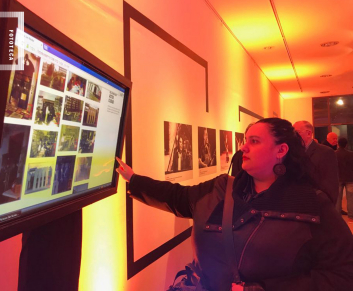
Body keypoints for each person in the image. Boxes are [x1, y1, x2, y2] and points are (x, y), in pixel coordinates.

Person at [117, 118, 353, 291]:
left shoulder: (313, 205)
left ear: (281, 150)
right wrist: (134, 179)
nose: (243, 147)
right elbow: (176, 196)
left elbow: (343, 274)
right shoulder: (220, 189)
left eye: (254, 141)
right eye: (245, 140)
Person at [293, 121, 339, 205]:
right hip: (297, 203)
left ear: (309, 133)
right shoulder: (293, 152)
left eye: (297, 132)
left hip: (316, 203)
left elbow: (330, 182)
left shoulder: (325, 152)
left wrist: (328, 206)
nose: (294, 136)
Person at [335, 137, 353, 220]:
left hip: (338, 178)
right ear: (346, 145)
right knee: (350, 197)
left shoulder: (334, 153)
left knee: (338, 197)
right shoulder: (351, 154)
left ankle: (337, 215)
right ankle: (351, 215)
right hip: (350, 178)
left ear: (338, 144)